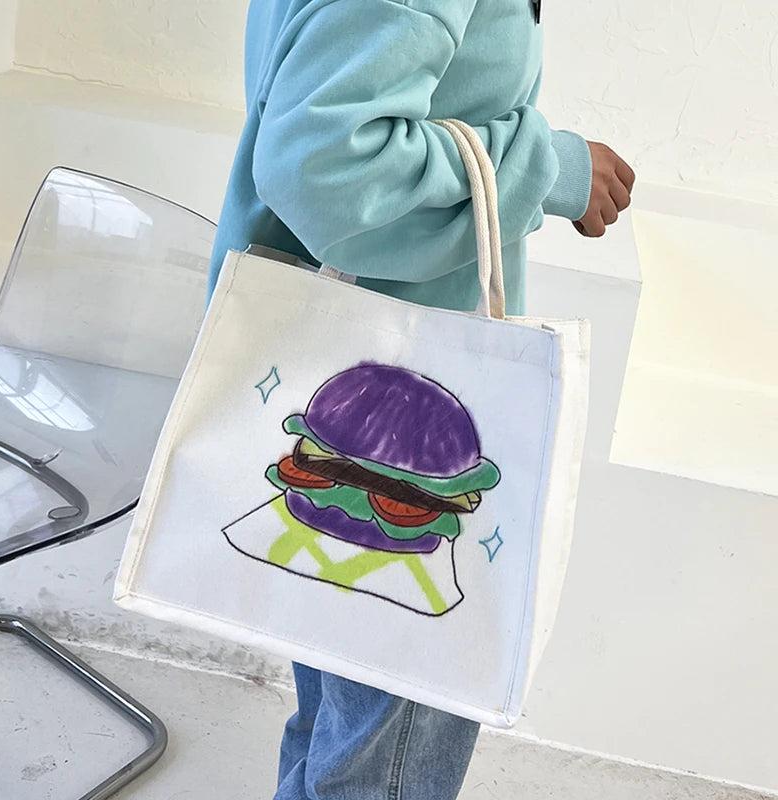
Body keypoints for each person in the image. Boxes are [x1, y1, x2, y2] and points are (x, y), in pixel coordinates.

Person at [208, 1, 634, 798]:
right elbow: (326, 165)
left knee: (344, 720)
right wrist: (549, 167)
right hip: (400, 396)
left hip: (348, 371)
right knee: (381, 750)